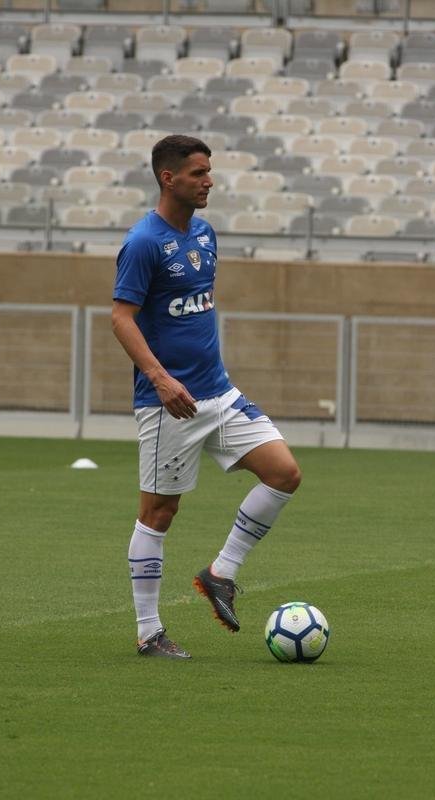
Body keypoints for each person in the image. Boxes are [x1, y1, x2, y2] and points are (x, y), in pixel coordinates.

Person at [112, 134, 301, 660]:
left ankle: (221, 573)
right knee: (159, 511)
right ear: (168, 177)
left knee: (284, 473)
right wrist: (160, 378)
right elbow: (121, 318)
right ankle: (149, 632)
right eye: (198, 173)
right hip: (168, 403)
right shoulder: (143, 242)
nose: (209, 181)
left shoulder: (205, 234)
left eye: (209, 172)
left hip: (218, 393)